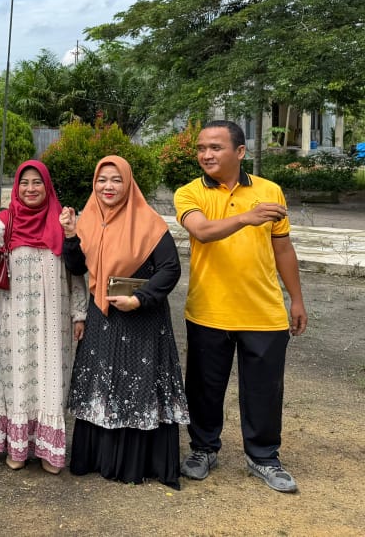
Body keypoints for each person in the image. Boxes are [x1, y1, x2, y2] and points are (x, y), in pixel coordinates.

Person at [174, 120, 307, 493]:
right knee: (203, 387)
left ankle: (263, 457)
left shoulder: (270, 191)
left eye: (215, 147)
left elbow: (282, 247)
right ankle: (203, 448)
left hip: (263, 311)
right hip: (208, 310)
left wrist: (296, 298)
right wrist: (247, 217)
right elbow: (202, 231)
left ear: (240, 152)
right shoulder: (189, 193)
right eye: (202, 148)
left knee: (265, 390)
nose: (206, 154)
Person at [60, 155, 189, 489]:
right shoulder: (88, 218)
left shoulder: (148, 221)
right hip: (102, 316)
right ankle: (99, 458)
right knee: (104, 382)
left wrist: (140, 299)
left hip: (142, 320)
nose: (108, 186)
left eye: (116, 179)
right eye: (102, 179)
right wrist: (72, 236)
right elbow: (76, 267)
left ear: (128, 183)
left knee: (138, 383)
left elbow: (170, 269)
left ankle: (137, 463)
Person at [0, 160, 86, 473]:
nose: (31, 189)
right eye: (25, 183)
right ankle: (17, 447)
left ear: (47, 186)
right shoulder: (5, 221)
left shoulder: (62, 221)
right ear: (17, 187)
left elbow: (77, 274)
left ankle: (48, 450)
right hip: (15, 319)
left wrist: (79, 314)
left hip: (54, 319)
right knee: (17, 378)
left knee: (51, 379)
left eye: (37, 182)